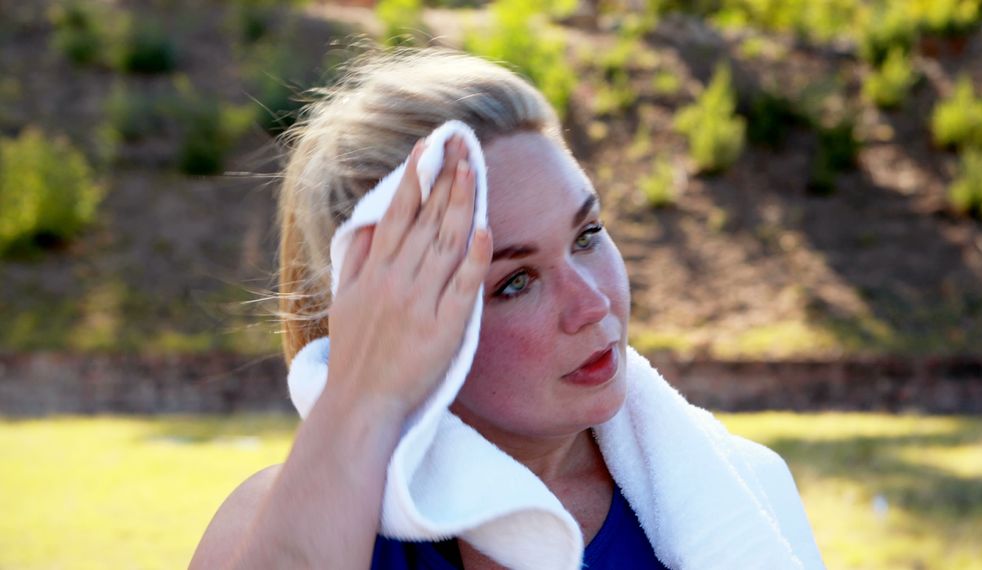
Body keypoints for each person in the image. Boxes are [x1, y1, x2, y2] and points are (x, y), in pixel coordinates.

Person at [191, 48, 820, 569]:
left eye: (588, 235)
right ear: (390, 317)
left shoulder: (738, 499)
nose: (592, 303)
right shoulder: (273, 530)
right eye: (515, 282)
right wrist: (364, 393)